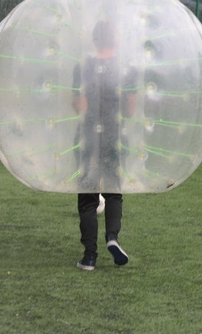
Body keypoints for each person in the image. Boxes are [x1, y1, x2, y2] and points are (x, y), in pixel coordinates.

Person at [71, 20, 137, 271]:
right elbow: (130, 110)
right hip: (115, 135)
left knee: (87, 197)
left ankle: (89, 257)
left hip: (87, 135)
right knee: (113, 191)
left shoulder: (82, 67)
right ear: (116, 41)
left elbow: (78, 106)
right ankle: (112, 237)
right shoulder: (125, 69)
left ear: (94, 41)